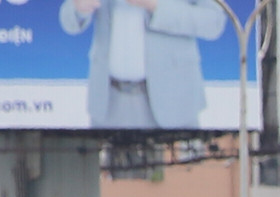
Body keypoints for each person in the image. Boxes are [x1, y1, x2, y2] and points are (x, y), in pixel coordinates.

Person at [60, 0, 228, 130]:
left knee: (182, 170)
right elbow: (68, 20)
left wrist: (155, 5)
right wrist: (79, 9)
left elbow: (214, 22)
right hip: (108, 102)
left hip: (175, 101)